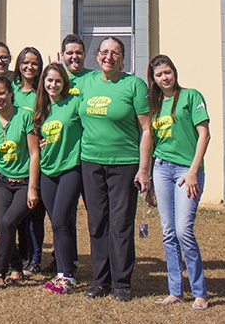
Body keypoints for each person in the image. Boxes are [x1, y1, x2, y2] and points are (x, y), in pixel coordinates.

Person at [78, 37, 152, 301]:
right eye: (104, 52)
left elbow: (146, 129)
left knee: (120, 224)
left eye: (115, 53)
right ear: (97, 56)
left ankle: (122, 283)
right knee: (97, 223)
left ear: (123, 58)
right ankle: (100, 280)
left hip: (124, 163)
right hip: (91, 161)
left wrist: (144, 169)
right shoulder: (86, 83)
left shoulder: (133, 85)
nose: (108, 57)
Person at [147, 55, 210, 310]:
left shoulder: (191, 96)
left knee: (184, 230)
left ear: (174, 72)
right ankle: (175, 291)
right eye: (159, 74)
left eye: (168, 72)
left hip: (187, 171)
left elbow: (204, 134)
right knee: (168, 232)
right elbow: (151, 143)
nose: (165, 77)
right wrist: (150, 182)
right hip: (162, 169)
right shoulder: (155, 104)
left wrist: (193, 171)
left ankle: (200, 293)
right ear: (153, 79)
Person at [0, 76, 40, 289]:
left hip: (24, 182)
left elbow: (34, 153)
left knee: (8, 223)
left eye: (1, 93)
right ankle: (17, 265)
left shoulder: (25, 116)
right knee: (0, 229)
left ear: (10, 93)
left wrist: (33, 188)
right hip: (2, 182)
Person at [32, 63, 82, 295]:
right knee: (59, 222)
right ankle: (68, 266)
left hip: (71, 168)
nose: (53, 84)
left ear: (65, 83)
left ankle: (65, 277)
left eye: (58, 81)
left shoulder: (74, 103)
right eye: (49, 80)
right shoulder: (41, 109)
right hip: (47, 171)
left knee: (61, 219)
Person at [12, 46, 45, 275]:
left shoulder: (44, 92)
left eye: (34, 63)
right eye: (25, 62)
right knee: (18, 213)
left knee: (34, 213)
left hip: (38, 159)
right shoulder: (12, 91)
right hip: (15, 160)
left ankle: (35, 258)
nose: (29, 67)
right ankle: (20, 255)